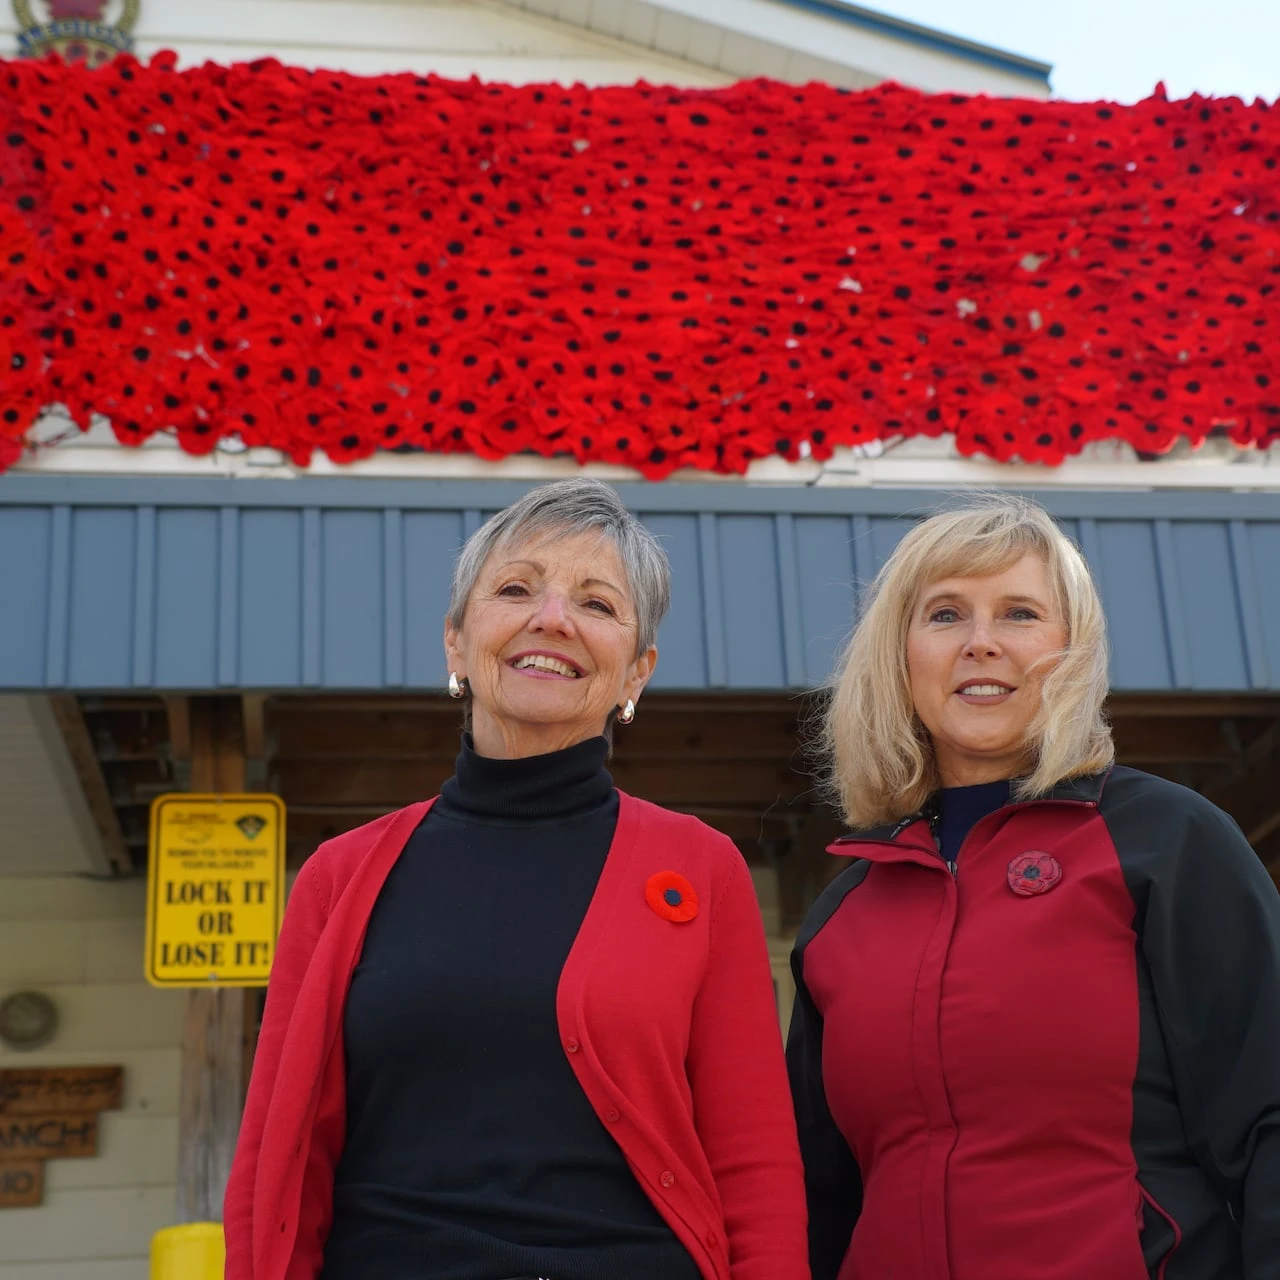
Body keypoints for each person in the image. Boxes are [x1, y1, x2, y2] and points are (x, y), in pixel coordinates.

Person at [225, 476, 808, 1280]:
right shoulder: (340, 877)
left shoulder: (703, 871)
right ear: (455, 642)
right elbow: (276, 1158)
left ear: (636, 674)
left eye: (597, 603)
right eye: (515, 589)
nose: (554, 618)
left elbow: (754, 1162)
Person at [787, 494, 1280, 1280]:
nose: (981, 642)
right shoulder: (841, 916)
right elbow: (815, 1203)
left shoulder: (1171, 843)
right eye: (946, 614)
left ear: (1071, 649)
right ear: (900, 656)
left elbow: (1267, 1119)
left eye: (1019, 613)